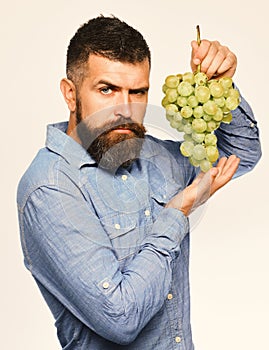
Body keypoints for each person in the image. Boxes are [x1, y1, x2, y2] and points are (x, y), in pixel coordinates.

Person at [17, 15, 261, 350]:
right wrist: (176, 214)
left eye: (138, 92)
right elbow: (121, 318)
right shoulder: (50, 188)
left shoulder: (153, 158)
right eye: (107, 90)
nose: (125, 109)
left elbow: (242, 153)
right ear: (70, 94)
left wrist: (220, 88)